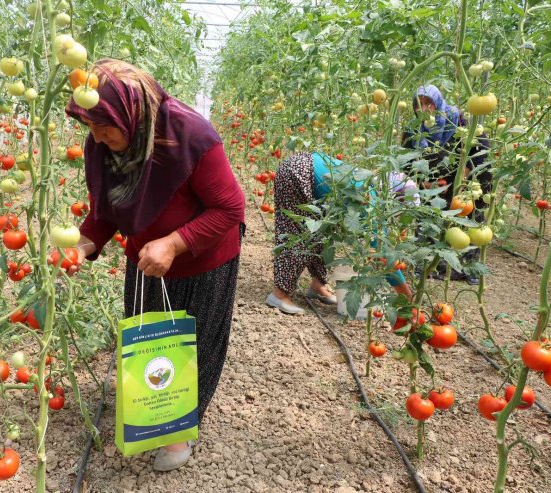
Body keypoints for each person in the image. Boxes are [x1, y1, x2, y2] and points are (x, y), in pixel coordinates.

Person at [65, 59, 245, 471]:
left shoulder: (189, 136)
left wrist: (175, 242)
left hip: (204, 259)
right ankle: (155, 409)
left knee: (192, 342)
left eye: (102, 125)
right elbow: (106, 210)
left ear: (129, 111)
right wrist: (81, 246)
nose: (95, 135)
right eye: (89, 125)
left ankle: (180, 429)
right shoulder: (107, 141)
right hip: (147, 257)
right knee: (151, 336)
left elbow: (230, 207)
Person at [266, 151, 415, 315]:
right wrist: (409, 300)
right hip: (298, 173)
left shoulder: (368, 187)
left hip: (302, 168)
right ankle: (279, 295)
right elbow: (383, 256)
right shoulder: (369, 202)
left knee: (323, 234)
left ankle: (318, 286)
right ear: (393, 198)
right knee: (301, 234)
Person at [402, 84, 490, 284]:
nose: (424, 109)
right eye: (419, 104)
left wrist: (466, 174)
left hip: (464, 183)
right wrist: (420, 180)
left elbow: (481, 148)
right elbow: (406, 160)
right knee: (428, 219)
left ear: (438, 103)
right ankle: (428, 264)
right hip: (431, 184)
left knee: (469, 220)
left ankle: (469, 268)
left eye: (428, 103)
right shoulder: (413, 129)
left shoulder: (458, 121)